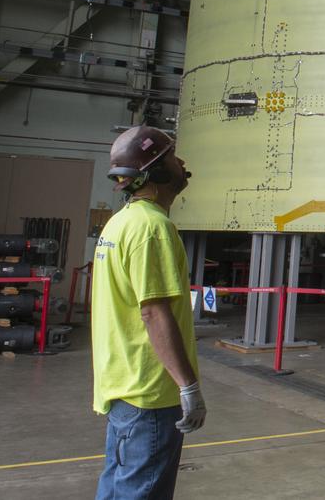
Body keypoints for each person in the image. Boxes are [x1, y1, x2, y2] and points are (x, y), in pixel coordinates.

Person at [93, 126, 206, 499]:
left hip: (122, 386)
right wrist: (188, 386)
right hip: (150, 393)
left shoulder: (119, 223)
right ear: (156, 171)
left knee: (117, 488)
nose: (183, 163)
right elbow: (153, 313)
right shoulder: (153, 228)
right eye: (173, 157)